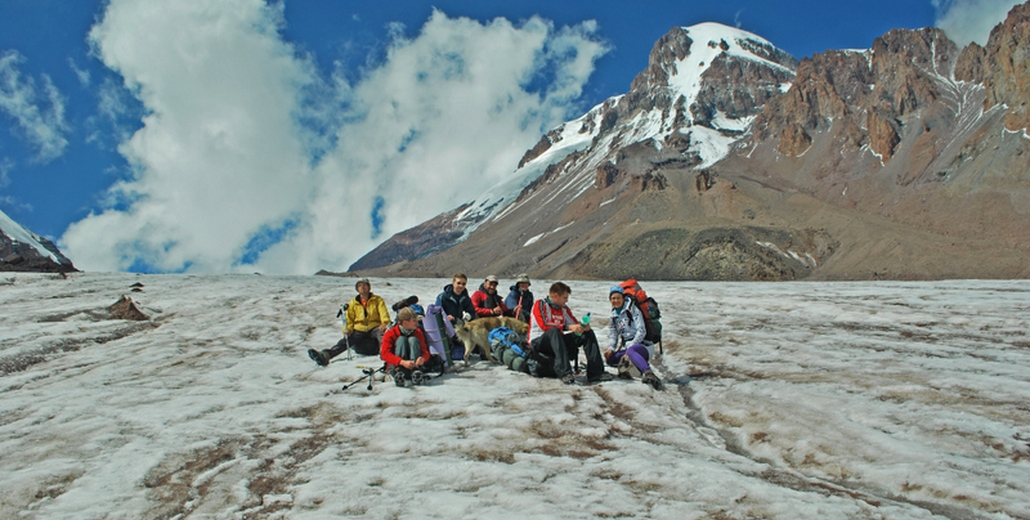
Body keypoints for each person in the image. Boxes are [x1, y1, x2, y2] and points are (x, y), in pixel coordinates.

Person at [527, 281, 612, 384]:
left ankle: (596, 372)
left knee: (586, 335)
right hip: (539, 341)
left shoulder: (563, 309)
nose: (566, 301)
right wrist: (568, 327)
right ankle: (565, 373)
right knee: (554, 331)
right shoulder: (540, 304)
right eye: (565, 298)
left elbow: (574, 324)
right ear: (556, 295)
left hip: (557, 340)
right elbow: (545, 325)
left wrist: (582, 327)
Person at [308, 277, 391, 366]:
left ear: (369, 287)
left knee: (383, 335)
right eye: (360, 285)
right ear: (357, 289)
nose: (362, 287)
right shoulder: (353, 303)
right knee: (346, 341)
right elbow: (349, 319)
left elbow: (383, 313)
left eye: (364, 285)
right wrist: (347, 329)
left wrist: (384, 323)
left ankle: (385, 354)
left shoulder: (378, 300)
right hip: (359, 328)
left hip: (374, 326)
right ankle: (326, 355)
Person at [605, 286, 662, 390]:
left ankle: (648, 372)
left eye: (618, 298)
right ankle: (633, 368)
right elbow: (613, 335)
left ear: (623, 298)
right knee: (610, 360)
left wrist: (632, 345)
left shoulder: (632, 310)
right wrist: (611, 349)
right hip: (629, 349)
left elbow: (642, 330)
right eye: (613, 298)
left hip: (644, 346)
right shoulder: (613, 316)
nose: (616, 301)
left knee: (631, 351)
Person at [381, 307, 430, 387]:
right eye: (414, 321)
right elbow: (385, 354)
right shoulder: (391, 333)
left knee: (413, 340)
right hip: (397, 366)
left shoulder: (418, 332)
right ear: (405, 322)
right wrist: (402, 362)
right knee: (401, 340)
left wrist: (423, 358)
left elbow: (425, 351)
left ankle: (415, 371)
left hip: (414, 365)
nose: (417, 322)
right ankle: (399, 372)